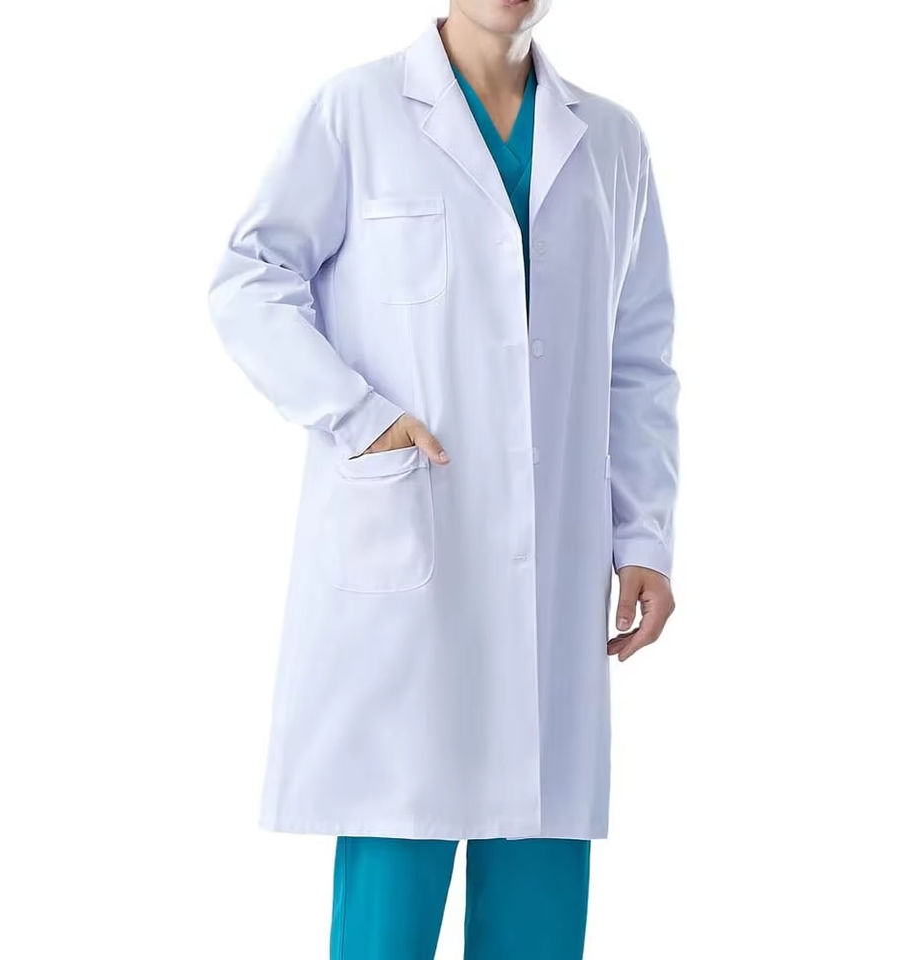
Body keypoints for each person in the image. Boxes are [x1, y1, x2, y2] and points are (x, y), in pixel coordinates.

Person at [208, 2, 679, 957]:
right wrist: (358, 415)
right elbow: (249, 279)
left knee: (538, 903)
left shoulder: (611, 141)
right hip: (412, 562)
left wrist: (645, 536)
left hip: (556, 573)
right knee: (391, 886)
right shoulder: (357, 110)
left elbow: (638, 358)